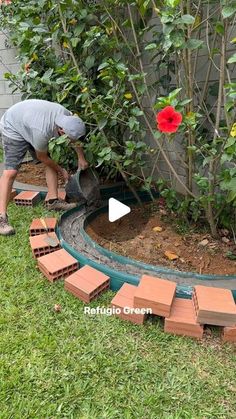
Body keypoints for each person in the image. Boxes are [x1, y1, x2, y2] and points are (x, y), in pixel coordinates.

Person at [0, 99, 89, 236]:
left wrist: (81, 157)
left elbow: (74, 139)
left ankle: (53, 201)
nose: (71, 142)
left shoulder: (68, 117)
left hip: (29, 122)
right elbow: (42, 157)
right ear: (61, 131)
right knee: (11, 172)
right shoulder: (42, 132)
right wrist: (62, 171)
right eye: (69, 139)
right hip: (13, 126)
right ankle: (2, 218)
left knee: (51, 159)